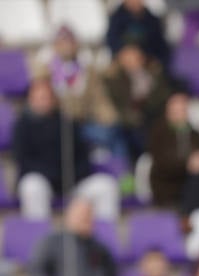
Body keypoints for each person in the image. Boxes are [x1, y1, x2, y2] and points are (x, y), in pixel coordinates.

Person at [14, 80, 120, 220]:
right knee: (31, 185)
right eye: (37, 98)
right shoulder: (22, 126)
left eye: (45, 97)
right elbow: (24, 162)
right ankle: (41, 238)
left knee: (106, 186)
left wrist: (71, 176)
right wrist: (54, 175)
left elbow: (83, 157)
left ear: (53, 99)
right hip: (44, 183)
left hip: (72, 183)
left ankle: (103, 239)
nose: (41, 102)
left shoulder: (67, 124)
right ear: (30, 100)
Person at [33, 25, 121, 163]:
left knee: (113, 134)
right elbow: (40, 99)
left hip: (83, 123)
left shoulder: (87, 71)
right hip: (57, 125)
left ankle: (122, 174)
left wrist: (109, 118)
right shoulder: (46, 71)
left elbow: (100, 99)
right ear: (55, 46)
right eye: (62, 43)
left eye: (70, 42)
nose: (67, 47)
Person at [28, 198, 121, 276]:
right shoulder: (52, 242)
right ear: (69, 216)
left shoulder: (100, 247)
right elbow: (38, 270)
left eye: (88, 214)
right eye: (80, 214)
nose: (85, 218)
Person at [102, 42, 171, 166]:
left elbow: (161, 99)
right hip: (125, 124)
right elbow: (114, 104)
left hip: (150, 119)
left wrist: (148, 85)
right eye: (128, 54)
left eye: (135, 54)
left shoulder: (153, 73)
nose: (132, 59)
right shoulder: (113, 78)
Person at [147, 89, 199, 218]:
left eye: (183, 109)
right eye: (176, 110)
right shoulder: (159, 132)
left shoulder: (195, 135)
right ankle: (188, 216)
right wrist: (187, 164)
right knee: (196, 176)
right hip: (167, 183)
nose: (179, 113)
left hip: (191, 182)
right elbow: (161, 161)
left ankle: (190, 215)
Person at [106, 0, 171, 71]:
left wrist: (143, 56)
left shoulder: (152, 21)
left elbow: (160, 47)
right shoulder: (116, 19)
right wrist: (124, 53)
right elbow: (111, 40)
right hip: (122, 64)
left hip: (146, 65)